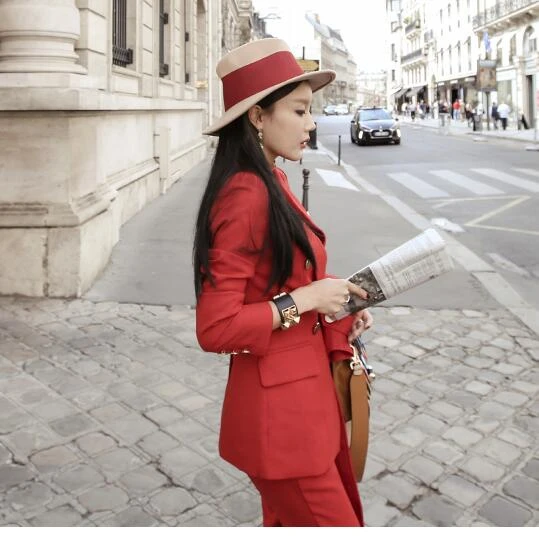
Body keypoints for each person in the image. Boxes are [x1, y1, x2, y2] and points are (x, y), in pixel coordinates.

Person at [193, 38, 373, 527]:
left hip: (305, 403)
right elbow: (216, 328)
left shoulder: (271, 181)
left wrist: (340, 304)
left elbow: (288, 279)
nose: (312, 123)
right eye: (299, 110)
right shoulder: (244, 196)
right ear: (257, 116)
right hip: (283, 422)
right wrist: (306, 299)